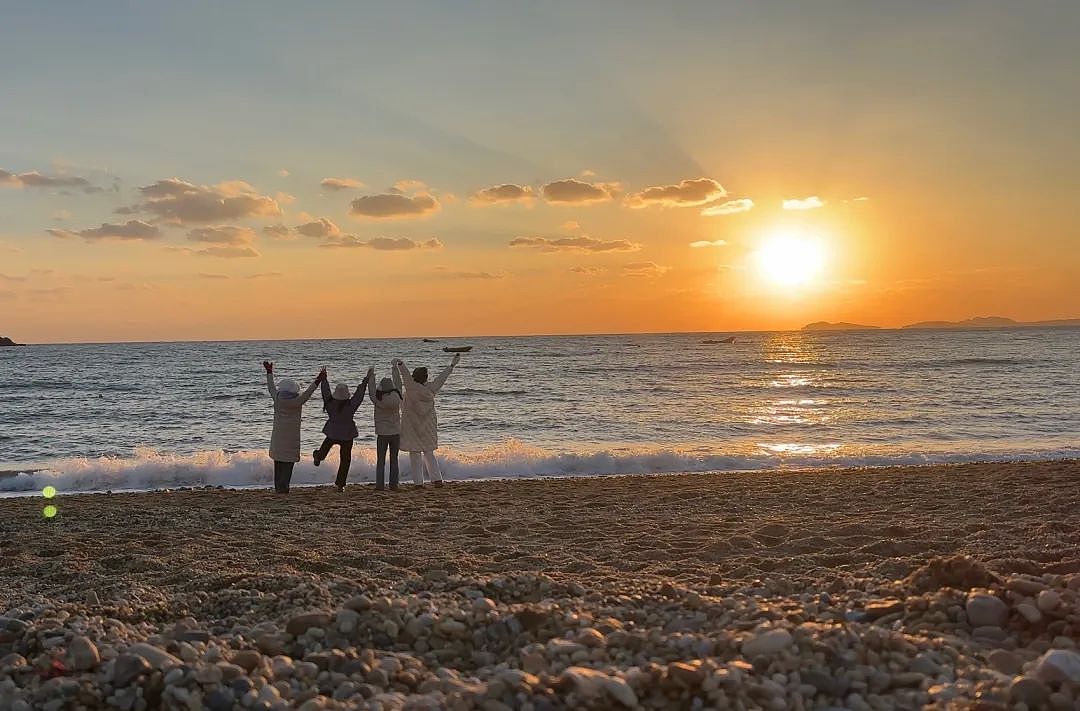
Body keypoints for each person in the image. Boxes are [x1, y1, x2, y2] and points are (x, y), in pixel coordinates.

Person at [393, 353, 460, 487]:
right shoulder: (432, 389)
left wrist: (400, 364)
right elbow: (442, 378)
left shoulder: (411, 387)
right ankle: (437, 480)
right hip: (427, 425)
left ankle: (418, 483)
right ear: (426, 378)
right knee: (429, 452)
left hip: (411, 426)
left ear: (414, 377)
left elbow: (405, 376)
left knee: (415, 454)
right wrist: (452, 365)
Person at [264, 361, 323, 494]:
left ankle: (278, 487)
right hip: (292, 438)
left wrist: (269, 372)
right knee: (288, 465)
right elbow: (309, 392)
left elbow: (270, 387)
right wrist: (318, 380)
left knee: (278, 464)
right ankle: (285, 487)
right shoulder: (298, 401)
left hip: (278, 437)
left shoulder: (277, 399)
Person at [313, 371, 370, 491]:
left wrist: (324, 380)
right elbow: (359, 394)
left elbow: (325, 392)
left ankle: (318, 456)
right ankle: (340, 485)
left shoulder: (329, 403)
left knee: (324, 450)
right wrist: (366, 380)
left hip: (332, 432)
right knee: (345, 460)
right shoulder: (351, 405)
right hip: (347, 434)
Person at [366, 366, 403, 491]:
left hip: (382, 433)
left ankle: (380, 485)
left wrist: (371, 376)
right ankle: (394, 484)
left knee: (380, 460)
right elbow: (399, 383)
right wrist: (395, 369)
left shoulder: (378, 399)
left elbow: (371, 390)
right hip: (396, 432)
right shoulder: (397, 397)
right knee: (394, 459)